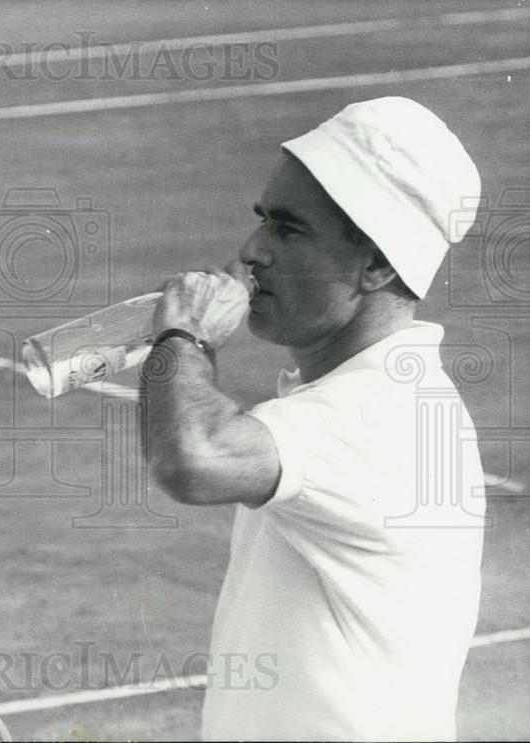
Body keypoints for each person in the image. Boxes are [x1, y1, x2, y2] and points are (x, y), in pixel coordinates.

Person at [140, 97, 485, 741]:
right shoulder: (376, 395)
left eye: (289, 229)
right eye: (262, 220)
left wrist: (183, 337)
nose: (251, 251)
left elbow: (192, 458)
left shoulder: (379, 412)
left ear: (378, 264)